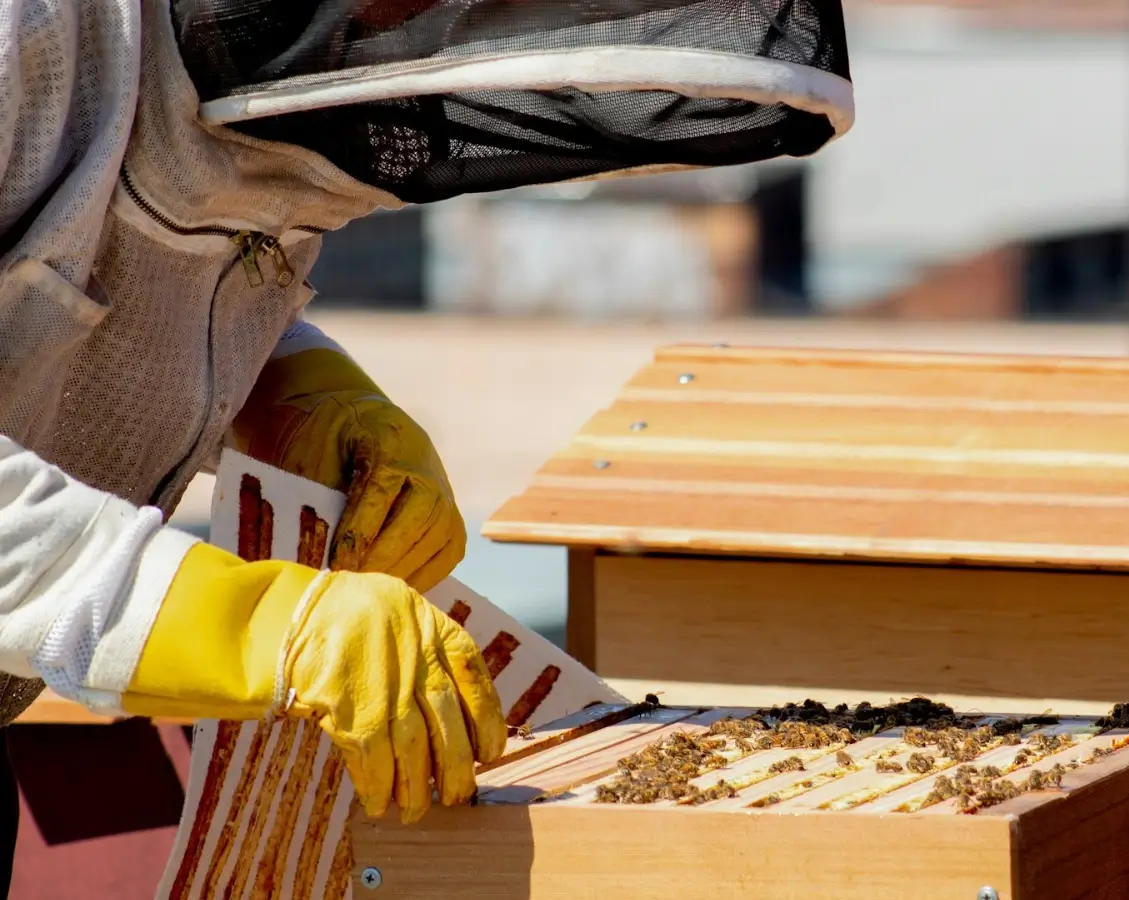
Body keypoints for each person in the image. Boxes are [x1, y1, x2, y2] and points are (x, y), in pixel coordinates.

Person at [0, 0, 851, 881]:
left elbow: (127, 268)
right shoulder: (27, 37)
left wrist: (291, 383)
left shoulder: (276, 72)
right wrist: (250, 624)